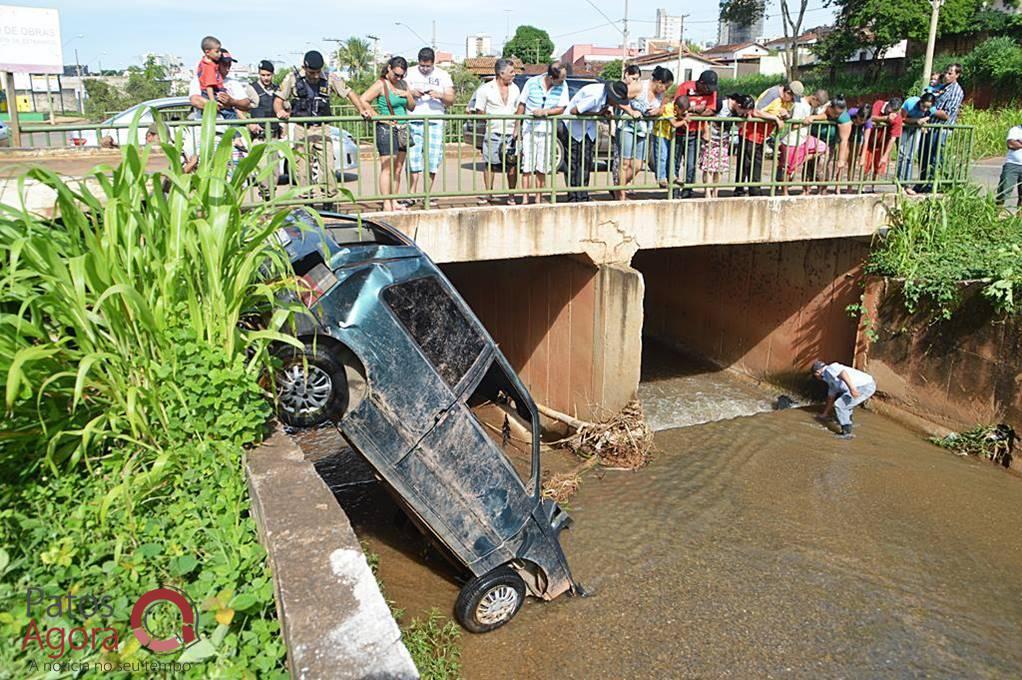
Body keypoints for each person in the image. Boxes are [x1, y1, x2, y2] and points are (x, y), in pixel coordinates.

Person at [274, 50, 371, 204]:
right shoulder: (292, 78)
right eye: (312, 72)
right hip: (302, 128)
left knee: (328, 166)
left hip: (322, 128)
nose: (316, 76)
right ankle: (306, 201)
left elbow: (349, 93)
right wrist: (279, 111)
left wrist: (362, 109)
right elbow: (278, 99)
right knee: (302, 168)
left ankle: (329, 200)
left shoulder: (330, 78)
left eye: (318, 72)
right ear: (304, 68)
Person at [564, 80, 634, 202]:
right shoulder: (595, 96)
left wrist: (601, 114)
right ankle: (574, 197)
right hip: (574, 129)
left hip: (587, 130)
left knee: (586, 163)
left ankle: (583, 195)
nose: (617, 105)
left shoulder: (605, 98)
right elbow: (574, 111)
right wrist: (597, 113)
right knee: (576, 165)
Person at [361, 56, 415, 212]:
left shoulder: (403, 85)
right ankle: (386, 202)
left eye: (401, 75)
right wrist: (375, 115)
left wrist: (409, 95)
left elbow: (412, 107)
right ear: (389, 68)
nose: (398, 78)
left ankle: (394, 200)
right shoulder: (381, 84)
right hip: (386, 128)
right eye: (396, 74)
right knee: (387, 167)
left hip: (403, 129)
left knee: (398, 168)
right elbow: (364, 99)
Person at [405, 48, 455, 208]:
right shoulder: (409, 73)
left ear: (433, 63)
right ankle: (411, 194)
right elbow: (398, 91)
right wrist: (411, 93)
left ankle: (427, 193)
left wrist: (440, 95)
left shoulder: (443, 75)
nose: (425, 69)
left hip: (435, 121)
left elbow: (451, 99)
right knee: (412, 159)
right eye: (422, 66)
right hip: (413, 119)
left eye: (428, 66)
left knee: (432, 160)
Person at [514, 61, 569, 204]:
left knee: (542, 166)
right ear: (551, 77)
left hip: (547, 130)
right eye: (561, 79)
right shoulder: (531, 83)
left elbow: (561, 108)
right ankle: (525, 197)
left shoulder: (563, 86)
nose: (563, 81)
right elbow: (522, 104)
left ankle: (538, 197)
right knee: (527, 165)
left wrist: (545, 112)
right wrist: (516, 127)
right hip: (529, 130)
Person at [614, 65, 670, 200]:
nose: (665, 90)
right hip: (627, 126)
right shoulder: (640, 87)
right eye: (665, 87)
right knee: (625, 163)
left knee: (637, 166)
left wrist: (658, 111)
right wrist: (631, 111)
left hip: (644, 130)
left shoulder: (660, 94)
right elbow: (616, 97)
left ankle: (617, 186)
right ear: (659, 82)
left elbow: (663, 106)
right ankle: (620, 195)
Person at [469, 58, 520, 205]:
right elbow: (479, 110)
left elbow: (519, 110)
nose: (514, 74)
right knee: (490, 163)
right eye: (511, 72)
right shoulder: (485, 89)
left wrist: (517, 128)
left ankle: (511, 195)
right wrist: (490, 121)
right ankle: (489, 193)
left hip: (511, 132)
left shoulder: (515, 88)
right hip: (493, 131)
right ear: (501, 73)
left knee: (512, 164)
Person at [915, 63, 964, 194]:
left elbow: (947, 115)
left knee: (935, 158)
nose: (947, 76)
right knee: (923, 156)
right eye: (946, 73)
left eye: (950, 74)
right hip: (930, 128)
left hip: (941, 129)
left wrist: (930, 109)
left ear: (957, 75)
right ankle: (921, 182)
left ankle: (933, 184)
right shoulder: (942, 88)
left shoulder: (956, 91)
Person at [672, 70, 719, 198]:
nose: (710, 91)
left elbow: (711, 111)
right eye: (708, 88)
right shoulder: (685, 87)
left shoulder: (712, 92)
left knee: (691, 164)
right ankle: (674, 190)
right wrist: (693, 109)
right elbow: (676, 108)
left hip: (695, 132)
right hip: (679, 130)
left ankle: (688, 191)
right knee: (675, 162)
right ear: (701, 83)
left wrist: (694, 114)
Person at [734, 94, 787, 197]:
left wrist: (781, 117)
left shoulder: (782, 106)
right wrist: (775, 118)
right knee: (744, 165)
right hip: (748, 136)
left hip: (760, 138)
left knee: (756, 164)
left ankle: (754, 189)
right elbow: (756, 112)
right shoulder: (769, 103)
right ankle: (740, 189)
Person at [812, 360, 876, 438]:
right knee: (846, 404)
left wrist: (852, 388)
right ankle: (849, 423)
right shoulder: (830, 380)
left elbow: (843, 373)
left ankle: (847, 433)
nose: (816, 378)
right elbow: (830, 397)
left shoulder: (830, 368)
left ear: (817, 372)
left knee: (840, 405)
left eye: (815, 376)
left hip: (865, 386)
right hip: (863, 385)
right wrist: (825, 414)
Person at [777, 99, 827, 194]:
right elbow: (794, 125)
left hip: (803, 139)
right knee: (788, 168)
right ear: (814, 98)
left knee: (822, 147)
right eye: (818, 104)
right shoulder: (800, 105)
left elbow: (824, 115)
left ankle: (800, 161)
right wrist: (804, 123)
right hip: (792, 140)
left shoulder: (812, 106)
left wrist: (813, 117)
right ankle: (785, 192)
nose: (817, 107)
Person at [188, 50, 253, 119]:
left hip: (229, 126)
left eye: (229, 65)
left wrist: (232, 102)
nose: (228, 68)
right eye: (224, 65)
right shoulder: (199, 80)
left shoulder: (233, 82)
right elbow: (195, 100)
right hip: (208, 127)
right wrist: (216, 106)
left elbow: (246, 104)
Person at [805, 95, 852, 192]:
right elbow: (824, 115)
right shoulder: (821, 107)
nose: (836, 116)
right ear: (830, 107)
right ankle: (806, 190)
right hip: (813, 139)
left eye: (839, 114)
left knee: (821, 166)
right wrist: (814, 117)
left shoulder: (844, 117)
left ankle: (822, 190)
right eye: (835, 113)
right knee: (808, 165)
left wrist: (841, 159)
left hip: (828, 142)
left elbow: (844, 140)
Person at [699, 92, 739, 198]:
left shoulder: (735, 111)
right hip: (711, 139)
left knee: (720, 167)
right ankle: (707, 192)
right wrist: (706, 131)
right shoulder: (720, 104)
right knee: (708, 167)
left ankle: (715, 191)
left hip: (723, 139)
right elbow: (705, 116)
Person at [861, 97, 904, 190]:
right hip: (870, 141)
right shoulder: (879, 104)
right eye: (889, 109)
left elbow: (893, 138)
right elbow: (870, 117)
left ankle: (873, 187)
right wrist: (885, 118)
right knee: (865, 166)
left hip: (882, 144)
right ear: (888, 104)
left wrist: (885, 156)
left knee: (878, 167)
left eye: (893, 111)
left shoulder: (897, 117)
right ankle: (861, 186)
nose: (890, 112)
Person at [898, 92, 936, 191]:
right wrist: (916, 120)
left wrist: (924, 120)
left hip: (916, 129)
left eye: (928, 107)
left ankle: (907, 185)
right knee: (902, 155)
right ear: (920, 101)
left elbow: (929, 116)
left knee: (910, 156)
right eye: (923, 106)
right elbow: (902, 118)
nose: (925, 109)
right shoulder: (910, 103)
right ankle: (899, 183)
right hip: (905, 128)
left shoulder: (930, 109)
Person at [195, 36, 230, 117]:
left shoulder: (203, 62)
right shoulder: (209, 67)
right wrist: (212, 102)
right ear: (207, 52)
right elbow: (209, 86)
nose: (220, 54)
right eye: (217, 51)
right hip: (211, 93)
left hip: (207, 93)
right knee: (230, 113)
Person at [249, 60, 282, 139]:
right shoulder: (251, 89)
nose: (266, 78)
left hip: (275, 135)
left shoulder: (277, 89)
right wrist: (249, 124)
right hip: (258, 136)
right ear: (259, 74)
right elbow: (240, 109)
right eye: (263, 75)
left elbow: (287, 108)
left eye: (268, 75)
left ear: (273, 74)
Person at [995, 121, 1022, 207]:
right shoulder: (1015, 130)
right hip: (1013, 165)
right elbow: (1011, 144)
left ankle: (1019, 219)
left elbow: (1016, 144)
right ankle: (996, 216)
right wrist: (1015, 143)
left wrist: (1019, 143)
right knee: (1003, 192)